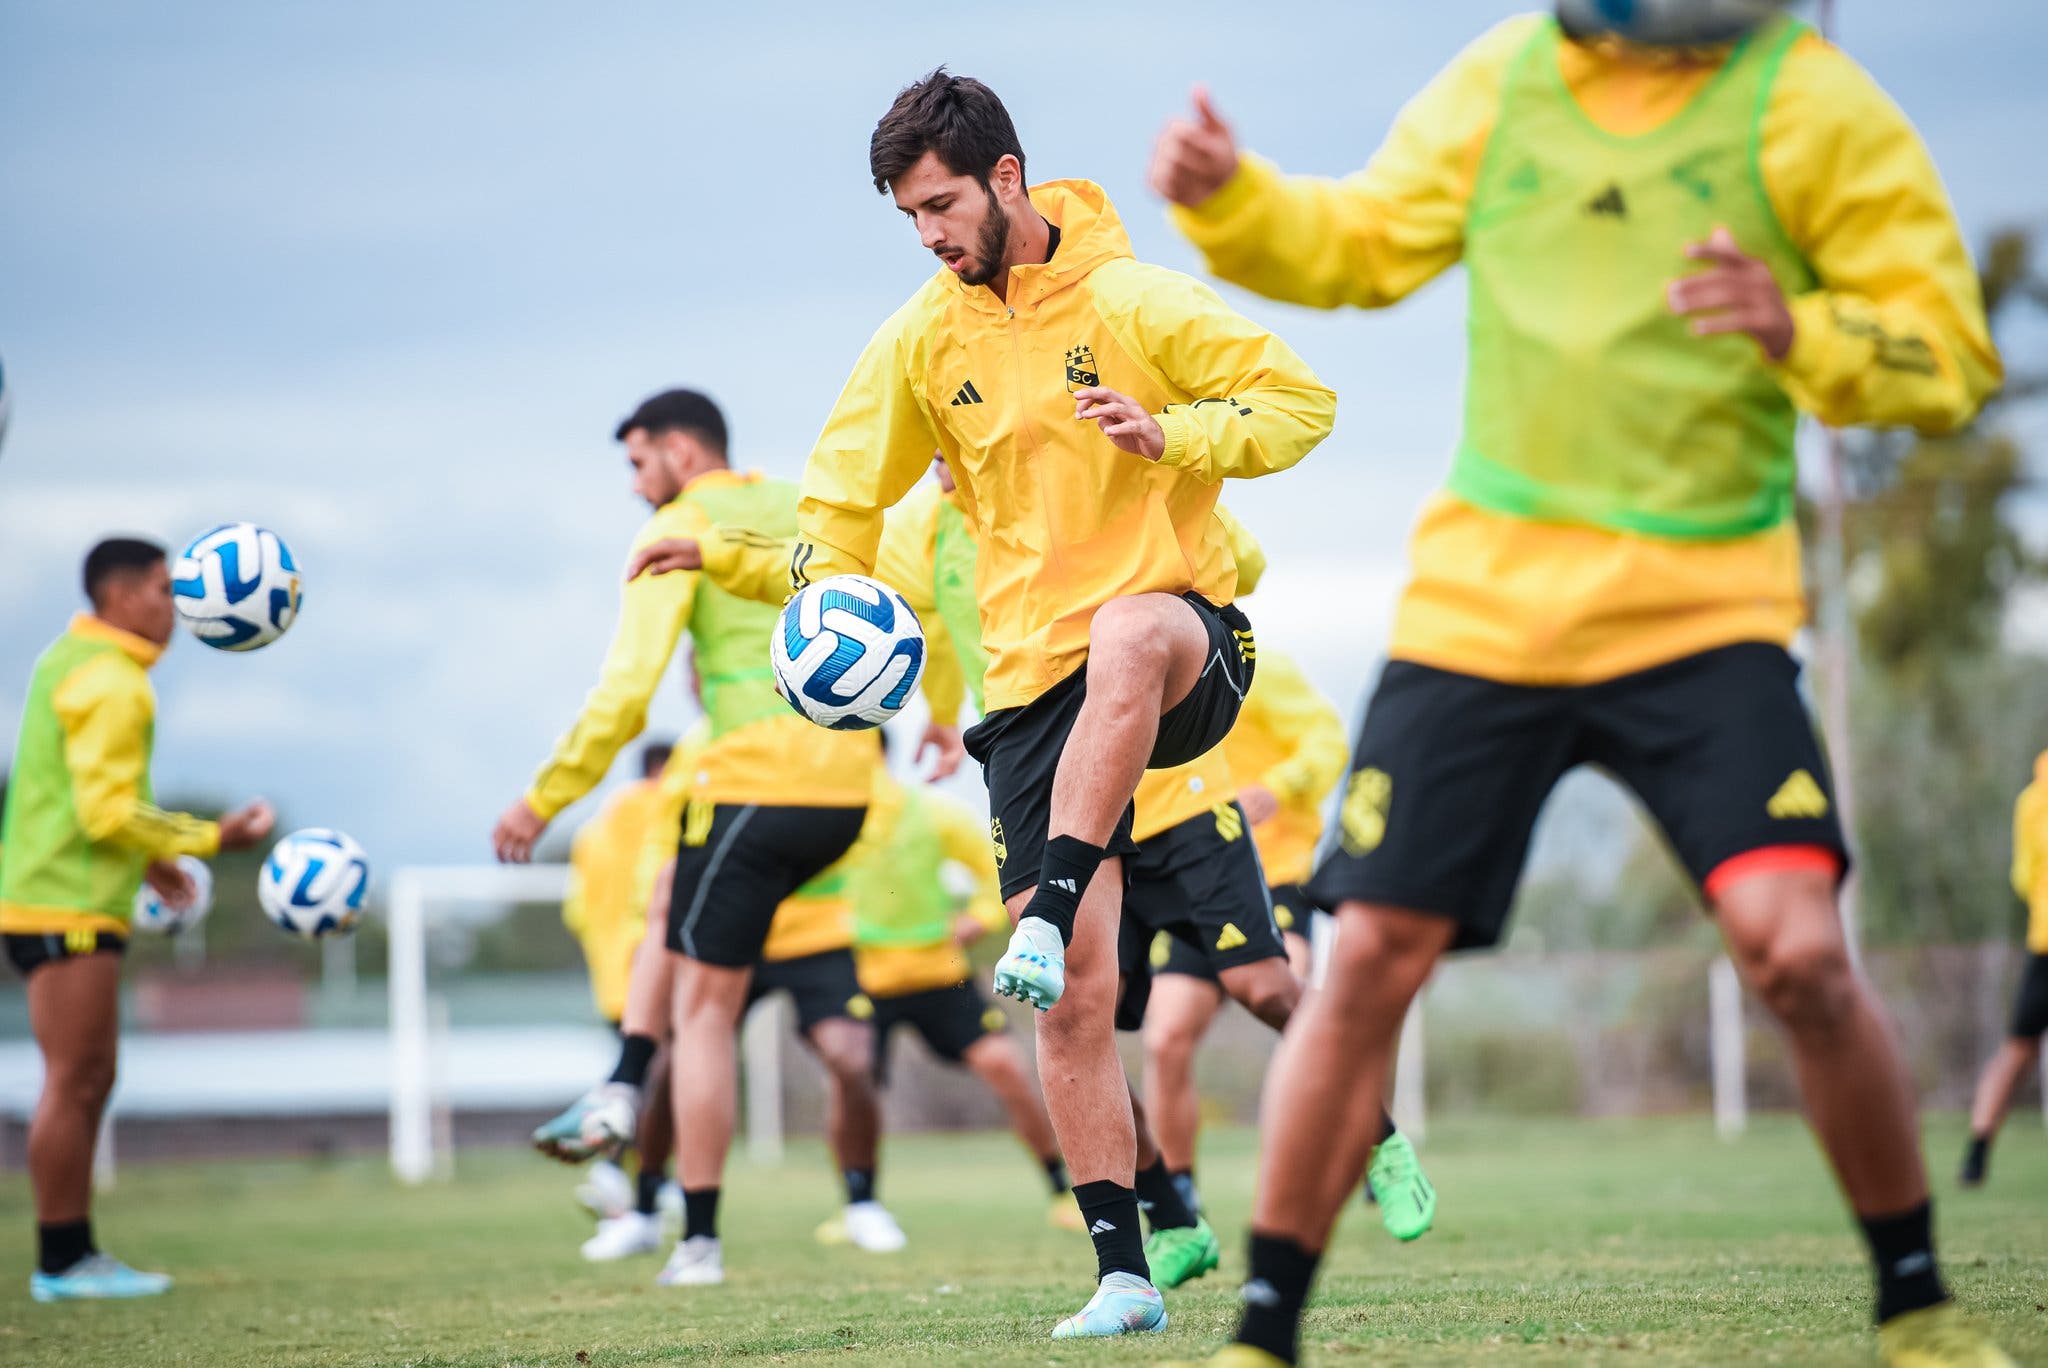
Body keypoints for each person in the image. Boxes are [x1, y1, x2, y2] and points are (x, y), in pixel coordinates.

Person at [1147, 0, 2004, 1363]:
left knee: (1799, 954)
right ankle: (1265, 1331)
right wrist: (1234, 200)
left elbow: (1951, 357)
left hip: (1705, 606)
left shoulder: (1809, 99)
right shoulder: (1508, 77)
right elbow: (1359, 244)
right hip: (1487, 609)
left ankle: (1918, 1308)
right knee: (1364, 955)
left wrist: (1806, 330)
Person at [794, 68, 1332, 1340]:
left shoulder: (1137, 299)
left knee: (1132, 628)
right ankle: (1123, 1278)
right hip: (1030, 694)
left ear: (1005, 179)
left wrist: (1181, 437)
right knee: (1075, 993)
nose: (928, 235)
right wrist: (817, 593)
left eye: (939, 206)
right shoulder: (922, 336)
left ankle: (1048, 908)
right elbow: (836, 494)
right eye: (908, 218)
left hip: (1181, 653)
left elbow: (1301, 401)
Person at [493, 389, 874, 1289]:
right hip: (849, 791)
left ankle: (695, 1237)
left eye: (637, 464)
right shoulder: (800, 503)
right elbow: (886, 581)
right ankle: (623, 1080)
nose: (636, 488)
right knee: (672, 890)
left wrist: (541, 801)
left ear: (677, 448)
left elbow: (628, 694)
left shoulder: (678, 524)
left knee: (703, 1019)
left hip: (753, 786)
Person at [1, 538, 274, 1301]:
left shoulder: (68, 658)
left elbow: (78, 790)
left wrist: (149, 862)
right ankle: (62, 1259)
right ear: (121, 596)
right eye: (163, 586)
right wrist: (211, 838)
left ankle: (72, 1254)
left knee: (90, 1076)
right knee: (75, 1078)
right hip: (66, 899)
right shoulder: (113, 679)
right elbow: (104, 810)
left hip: (54, 890)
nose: (178, 603)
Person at [1141, 646, 1433, 1244]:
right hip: (1189, 874)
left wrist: (1277, 786)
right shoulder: (1129, 670)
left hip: (1271, 877)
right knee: (1165, 1037)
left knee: (1288, 1010)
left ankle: (1372, 1148)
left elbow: (1327, 742)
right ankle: (1182, 1209)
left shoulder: (1254, 669)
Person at [847, 747, 1085, 1232]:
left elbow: (992, 867)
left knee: (1007, 1067)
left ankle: (1061, 1189)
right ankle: (859, 1205)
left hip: (940, 973)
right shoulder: (825, 821)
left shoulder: (930, 812)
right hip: (863, 977)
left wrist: (977, 918)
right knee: (850, 1081)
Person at [559, 740, 677, 1250]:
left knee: (647, 1074)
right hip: (658, 967)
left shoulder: (591, 833)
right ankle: (618, 1173)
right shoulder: (668, 808)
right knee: (661, 1077)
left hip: (612, 977)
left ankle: (640, 1177)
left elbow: (576, 912)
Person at [1960, 749, 2048, 1188]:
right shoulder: (2034, 799)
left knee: (2018, 1051)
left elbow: (2022, 875)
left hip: (2044, 936)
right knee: (2019, 1049)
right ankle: (1975, 1153)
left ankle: (1976, 1153)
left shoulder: (2033, 797)